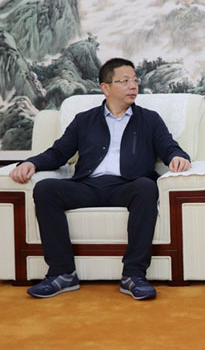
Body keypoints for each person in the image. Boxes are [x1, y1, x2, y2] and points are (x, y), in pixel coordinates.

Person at [9, 58, 191, 300]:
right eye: (124, 81)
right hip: (88, 186)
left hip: (129, 186)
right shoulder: (84, 120)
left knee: (147, 187)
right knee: (46, 189)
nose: (133, 86)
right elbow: (59, 153)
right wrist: (31, 163)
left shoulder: (150, 119)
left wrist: (178, 157)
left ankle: (134, 275)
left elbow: (169, 147)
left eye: (135, 80)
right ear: (105, 87)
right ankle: (62, 273)